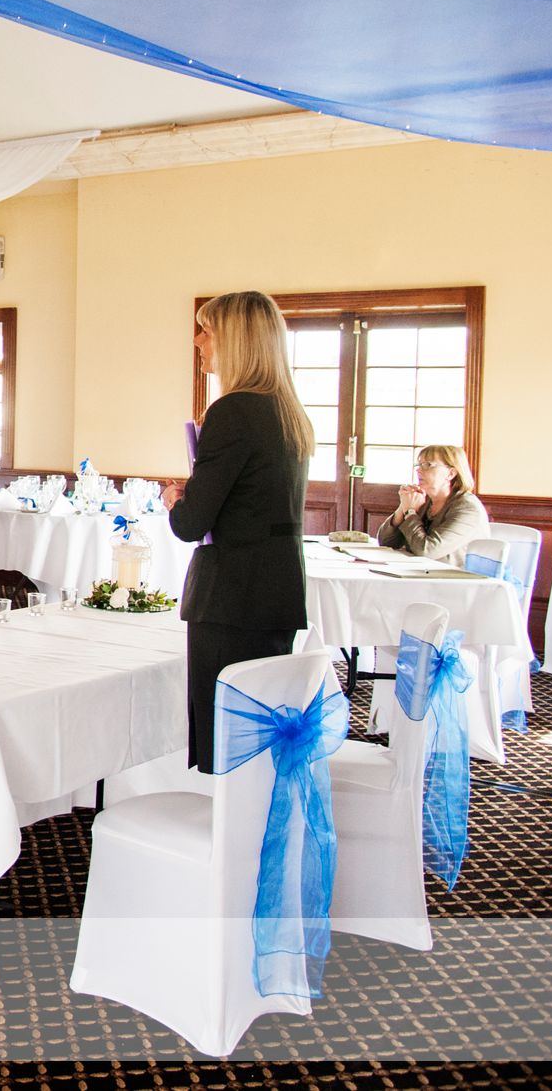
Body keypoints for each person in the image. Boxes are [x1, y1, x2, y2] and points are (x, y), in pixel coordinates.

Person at [160, 290, 312, 774]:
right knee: (263, 734)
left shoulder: (234, 410)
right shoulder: (287, 411)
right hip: (276, 589)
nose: (198, 340)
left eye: (207, 330)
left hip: (231, 595)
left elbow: (191, 525)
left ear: (237, 339)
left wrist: (176, 500)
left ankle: (229, 822)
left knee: (228, 740)